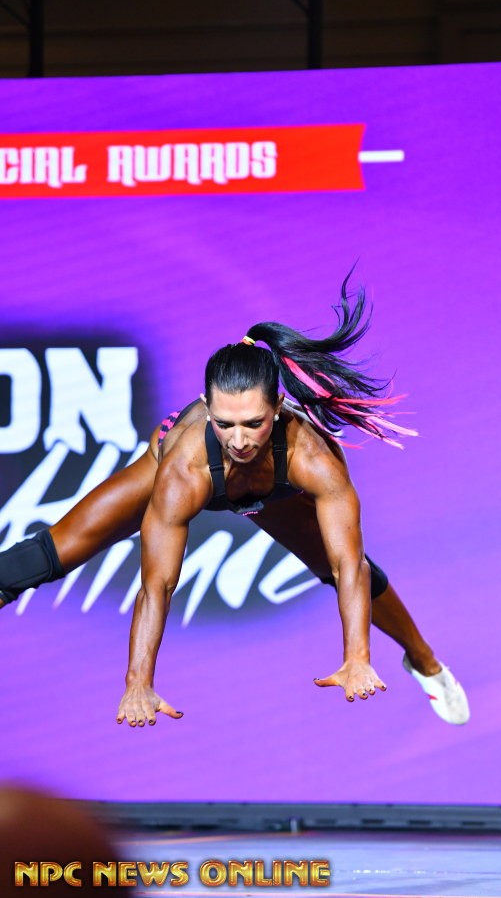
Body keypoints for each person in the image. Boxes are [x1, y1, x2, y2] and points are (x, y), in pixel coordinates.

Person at [0, 279, 470, 726]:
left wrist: (357, 658)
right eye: (224, 424)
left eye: (253, 423)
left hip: (272, 488)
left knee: (338, 562)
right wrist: (138, 683)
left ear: (278, 408)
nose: (239, 440)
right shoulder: (183, 470)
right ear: (207, 406)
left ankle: (425, 662)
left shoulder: (312, 457)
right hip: (197, 474)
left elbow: (350, 565)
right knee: (59, 549)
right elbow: (157, 586)